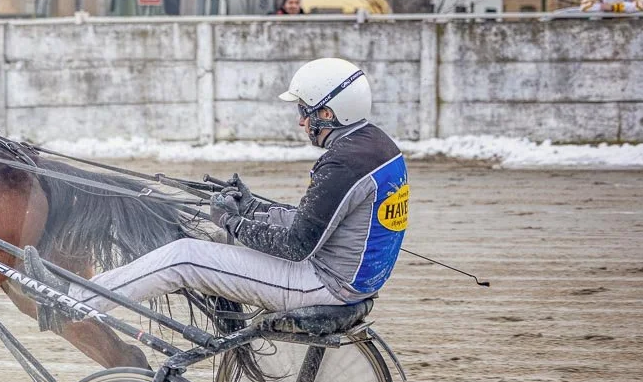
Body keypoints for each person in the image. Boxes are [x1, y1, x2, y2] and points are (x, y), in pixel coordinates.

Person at [47, 57, 408, 319]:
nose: (301, 121)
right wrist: (251, 208)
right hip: (351, 276)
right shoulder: (377, 146)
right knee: (201, 251)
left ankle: (77, 300)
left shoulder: (342, 163)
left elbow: (297, 245)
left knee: (184, 256)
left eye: (305, 111)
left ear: (327, 114)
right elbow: (319, 220)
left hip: (324, 283)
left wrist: (230, 222)